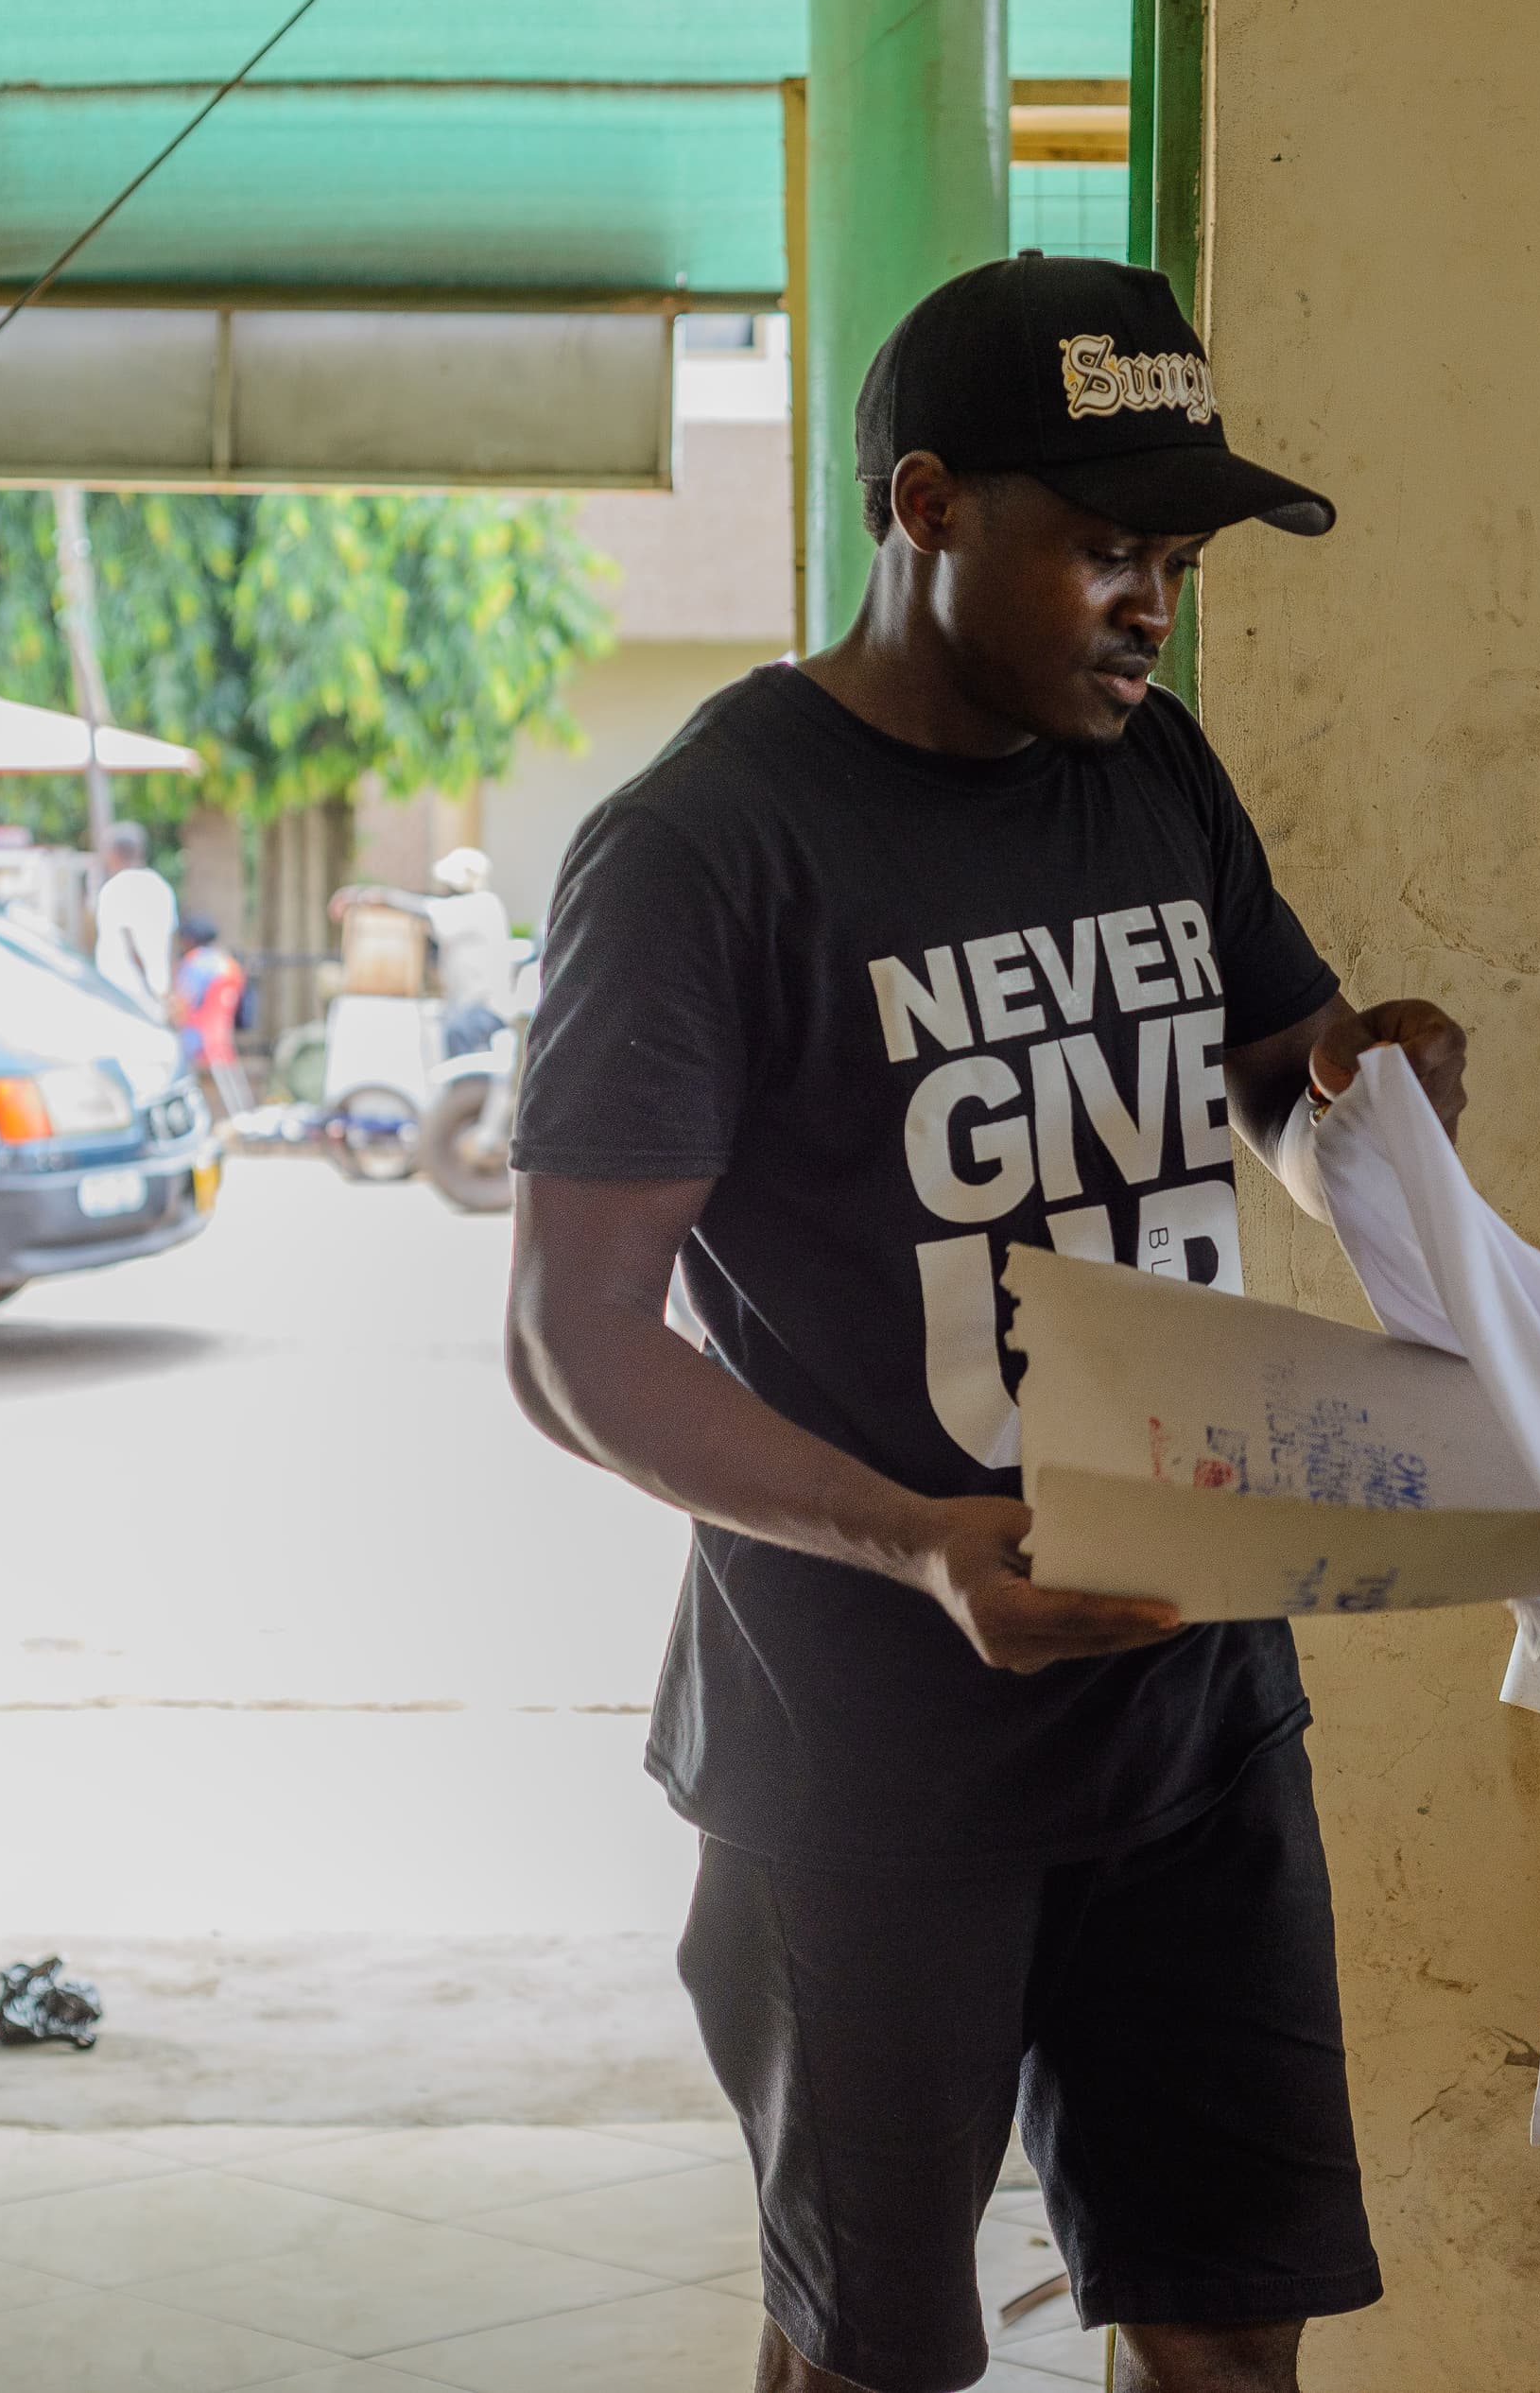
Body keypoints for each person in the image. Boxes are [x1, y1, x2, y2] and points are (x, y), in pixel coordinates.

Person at [504, 254, 1469, 2393]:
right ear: (925, 510)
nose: (1155, 607)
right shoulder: (704, 850)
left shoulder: (1150, 774)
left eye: (1181, 561)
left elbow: (1262, 1069)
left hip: (1195, 1714)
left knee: (1223, 2327)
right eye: (1109, 549)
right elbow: (572, 1337)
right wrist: (918, 1544)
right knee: (876, 2355)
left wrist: (1349, 1097)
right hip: (861, 1759)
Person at [333, 846, 517, 1056]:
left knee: (464, 1075)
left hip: (481, 1012)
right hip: (470, 1010)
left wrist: (375, 897)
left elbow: (424, 909)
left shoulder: (480, 906)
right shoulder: (474, 909)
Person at [91, 821, 177, 1019]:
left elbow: (130, 944)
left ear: (112, 854)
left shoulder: (114, 888)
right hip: (156, 993)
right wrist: (164, 990)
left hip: (121, 994)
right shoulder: (161, 887)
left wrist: (146, 984)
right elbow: (172, 943)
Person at [169, 914, 250, 1113]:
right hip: (221, 1036)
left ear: (189, 939)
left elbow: (182, 1002)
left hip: (196, 1036)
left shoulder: (196, 962)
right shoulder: (228, 962)